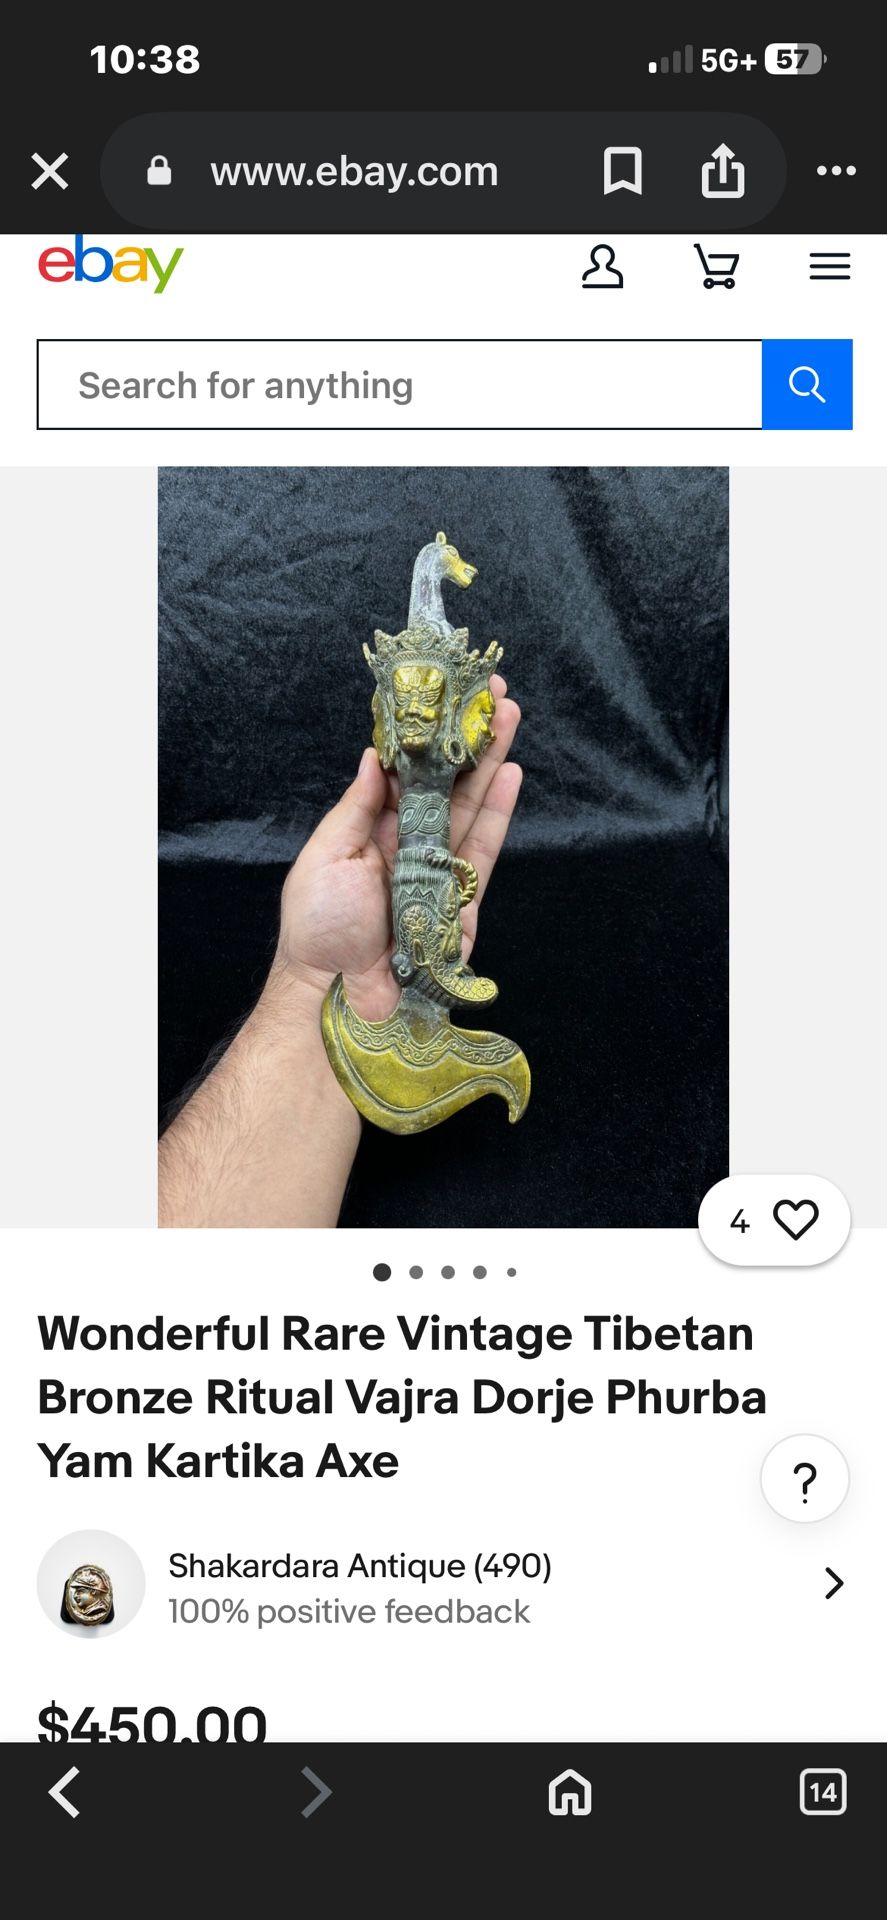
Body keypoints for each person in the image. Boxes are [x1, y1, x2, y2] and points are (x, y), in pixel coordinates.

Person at [158, 676, 522, 1226]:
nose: (416, 715)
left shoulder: (454, 734)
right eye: (403, 704)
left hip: (429, 881)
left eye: (428, 702)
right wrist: (311, 979)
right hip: (407, 912)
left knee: (431, 930)